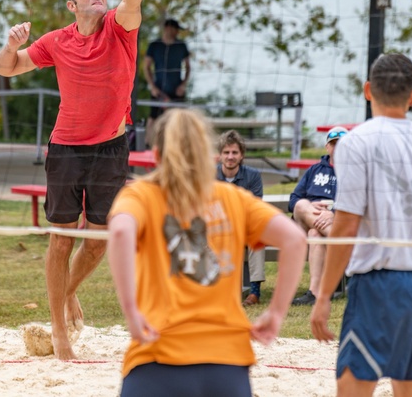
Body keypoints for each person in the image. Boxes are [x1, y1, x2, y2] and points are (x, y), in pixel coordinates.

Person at [0, 0, 158, 361]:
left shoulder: (120, 28)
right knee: (62, 239)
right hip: (66, 147)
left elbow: (131, 3)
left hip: (111, 147)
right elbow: (5, 68)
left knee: (99, 241)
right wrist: (11, 45)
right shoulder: (56, 41)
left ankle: (67, 293)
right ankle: (58, 330)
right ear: (72, 5)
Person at [108, 108, 306, 397]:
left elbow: (121, 231)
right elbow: (295, 240)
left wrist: (131, 310)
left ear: (158, 155)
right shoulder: (232, 197)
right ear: (209, 155)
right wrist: (276, 313)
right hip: (226, 364)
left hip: (158, 355)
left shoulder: (142, 194)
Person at [310, 53, 412, 396]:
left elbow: (345, 228)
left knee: (353, 387)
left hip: (377, 282)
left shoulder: (355, 143)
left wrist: (323, 295)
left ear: (367, 90)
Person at [288, 125, 347, 306]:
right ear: (327, 147)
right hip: (304, 221)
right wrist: (311, 207)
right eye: (333, 143)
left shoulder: (353, 172)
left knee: (316, 233)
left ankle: (314, 293)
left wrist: (333, 214)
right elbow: (293, 200)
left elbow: (357, 202)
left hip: (332, 223)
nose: (337, 147)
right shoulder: (314, 171)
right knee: (301, 204)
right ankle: (347, 247)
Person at [215, 130, 266, 306]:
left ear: (241, 155)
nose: (230, 157)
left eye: (234, 152)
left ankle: (254, 293)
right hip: (218, 228)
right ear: (219, 155)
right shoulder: (210, 176)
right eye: (226, 152)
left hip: (245, 228)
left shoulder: (252, 176)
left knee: (257, 238)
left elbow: (255, 209)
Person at [143, 18, 190, 120]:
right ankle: (149, 136)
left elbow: (188, 67)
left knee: (179, 119)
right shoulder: (154, 45)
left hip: (176, 90)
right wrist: (152, 87)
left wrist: (183, 85)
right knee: (153, 118)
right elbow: (146, 66)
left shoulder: (181, 45)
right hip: (159, 89)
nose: (177, 32)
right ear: (168, 28)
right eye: (176, 29)